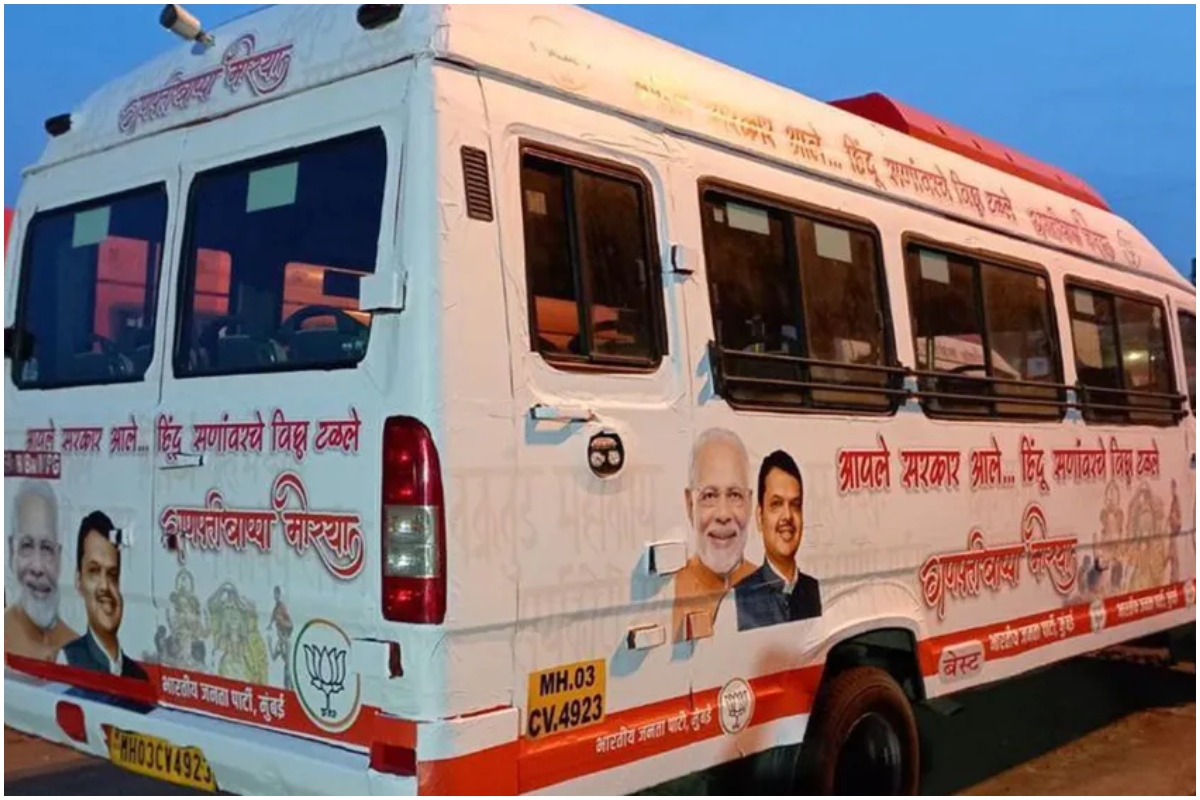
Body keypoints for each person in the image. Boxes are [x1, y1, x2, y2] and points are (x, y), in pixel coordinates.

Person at [672, 428, 756, 641]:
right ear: (690, 504)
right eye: (709, 496)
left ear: (749, 502)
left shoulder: (769, 590)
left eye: (734, 495)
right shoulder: (669, 592)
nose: (723, 514)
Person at [735, 449, 822, 631]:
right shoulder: (741, 598)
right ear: (760, 517)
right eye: (776, 504)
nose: (788, 516)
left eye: (795, 505)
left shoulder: (814, 590)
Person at [59, 511, 148, 680]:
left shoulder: (139, 676)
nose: (105, 586)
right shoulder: (69, 660)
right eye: (94, 571)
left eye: (112, 574)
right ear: (79, 580)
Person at [5, 480, 78, 661]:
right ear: (11, 552)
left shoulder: (75, 649)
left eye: (46, 548)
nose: (37, 567)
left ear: (59, 558)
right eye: (27, 546)